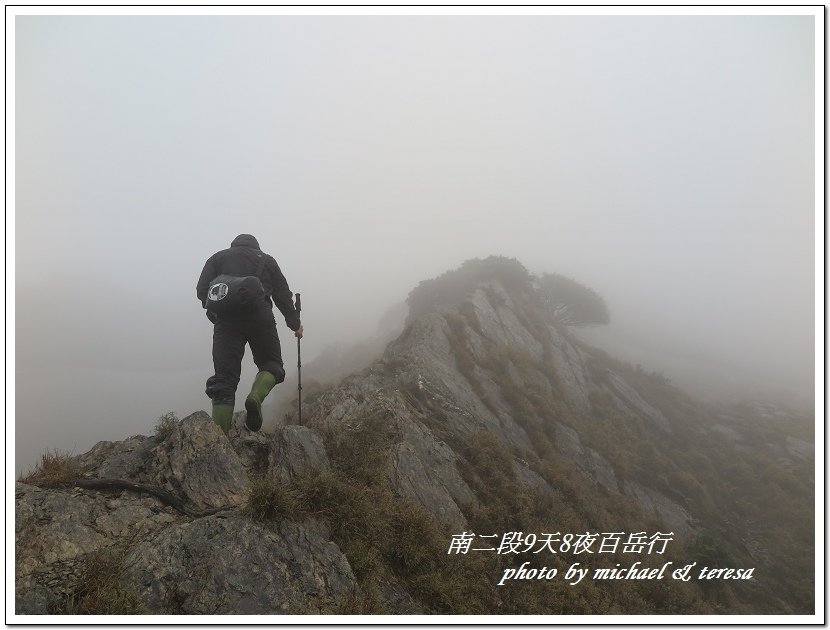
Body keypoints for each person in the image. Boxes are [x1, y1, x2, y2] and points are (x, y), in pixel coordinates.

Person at [197, 234, 303, 434]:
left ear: (233, 245)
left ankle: (221, 442)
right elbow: (282, 294)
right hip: (260, 316)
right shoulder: (266, 259)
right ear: (255, 246)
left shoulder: (217, 258)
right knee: (271, 364)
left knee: (224, 381)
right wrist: (294, 323)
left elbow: (203, 290)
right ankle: (255, 396)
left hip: (226, 321)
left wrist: (215, 312)